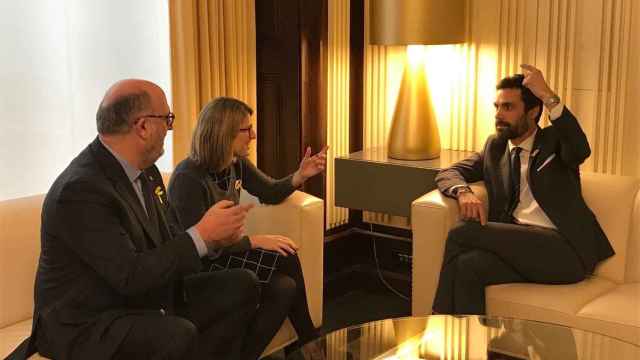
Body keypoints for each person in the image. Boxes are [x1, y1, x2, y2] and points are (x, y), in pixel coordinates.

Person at [8, 79, 259, 360]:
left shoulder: (147, 172)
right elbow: (129, 276)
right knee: (177, 333)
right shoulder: (81, 189)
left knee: (243, 285)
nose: (170, 128)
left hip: (140, 296)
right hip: (89, 320)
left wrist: (215, 238)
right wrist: (201, 235)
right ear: (143, 126)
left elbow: (169, 239)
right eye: (168, 119)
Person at [432, 64, 615, 315]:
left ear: (532, 112)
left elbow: (580, 148)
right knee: (467, 267)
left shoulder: (554, 142)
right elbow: (448, 173)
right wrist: (463, 192)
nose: (498, 114)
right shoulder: (495, 148)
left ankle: (434, 326)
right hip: (519, 248)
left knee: (463, 231)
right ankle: (474, 345)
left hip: (563, 252)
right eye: (497, 107)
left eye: (508, 107)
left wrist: (548, 95)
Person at [167, 97, 328, 359]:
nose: (253, 135)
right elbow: (197, 244)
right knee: (282, 254)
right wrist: (253, 242)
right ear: (225, 133)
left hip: (227, 251)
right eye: (247, 129)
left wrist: (301, 175)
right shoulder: (188, 177)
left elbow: (270, 191)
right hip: (198, 266)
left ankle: (262, 352)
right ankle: (309, 340)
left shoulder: (236, 163)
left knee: (285, 286)